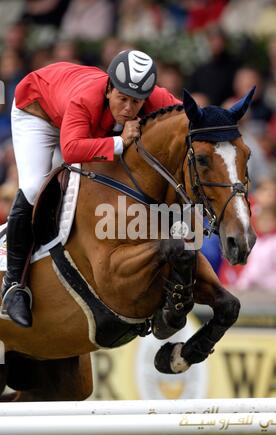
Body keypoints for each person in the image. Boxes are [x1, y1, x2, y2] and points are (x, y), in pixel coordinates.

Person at [1, 49, 180, 328]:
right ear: (109, 88)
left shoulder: (152, 97)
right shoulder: (86, 97)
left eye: (136, 102)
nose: (129, 110)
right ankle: (13, 286)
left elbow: (188, 119)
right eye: (122, 99)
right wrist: (120, 142)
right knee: (35, 186)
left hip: (77, 117)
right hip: (37, 112)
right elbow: (71, 150)